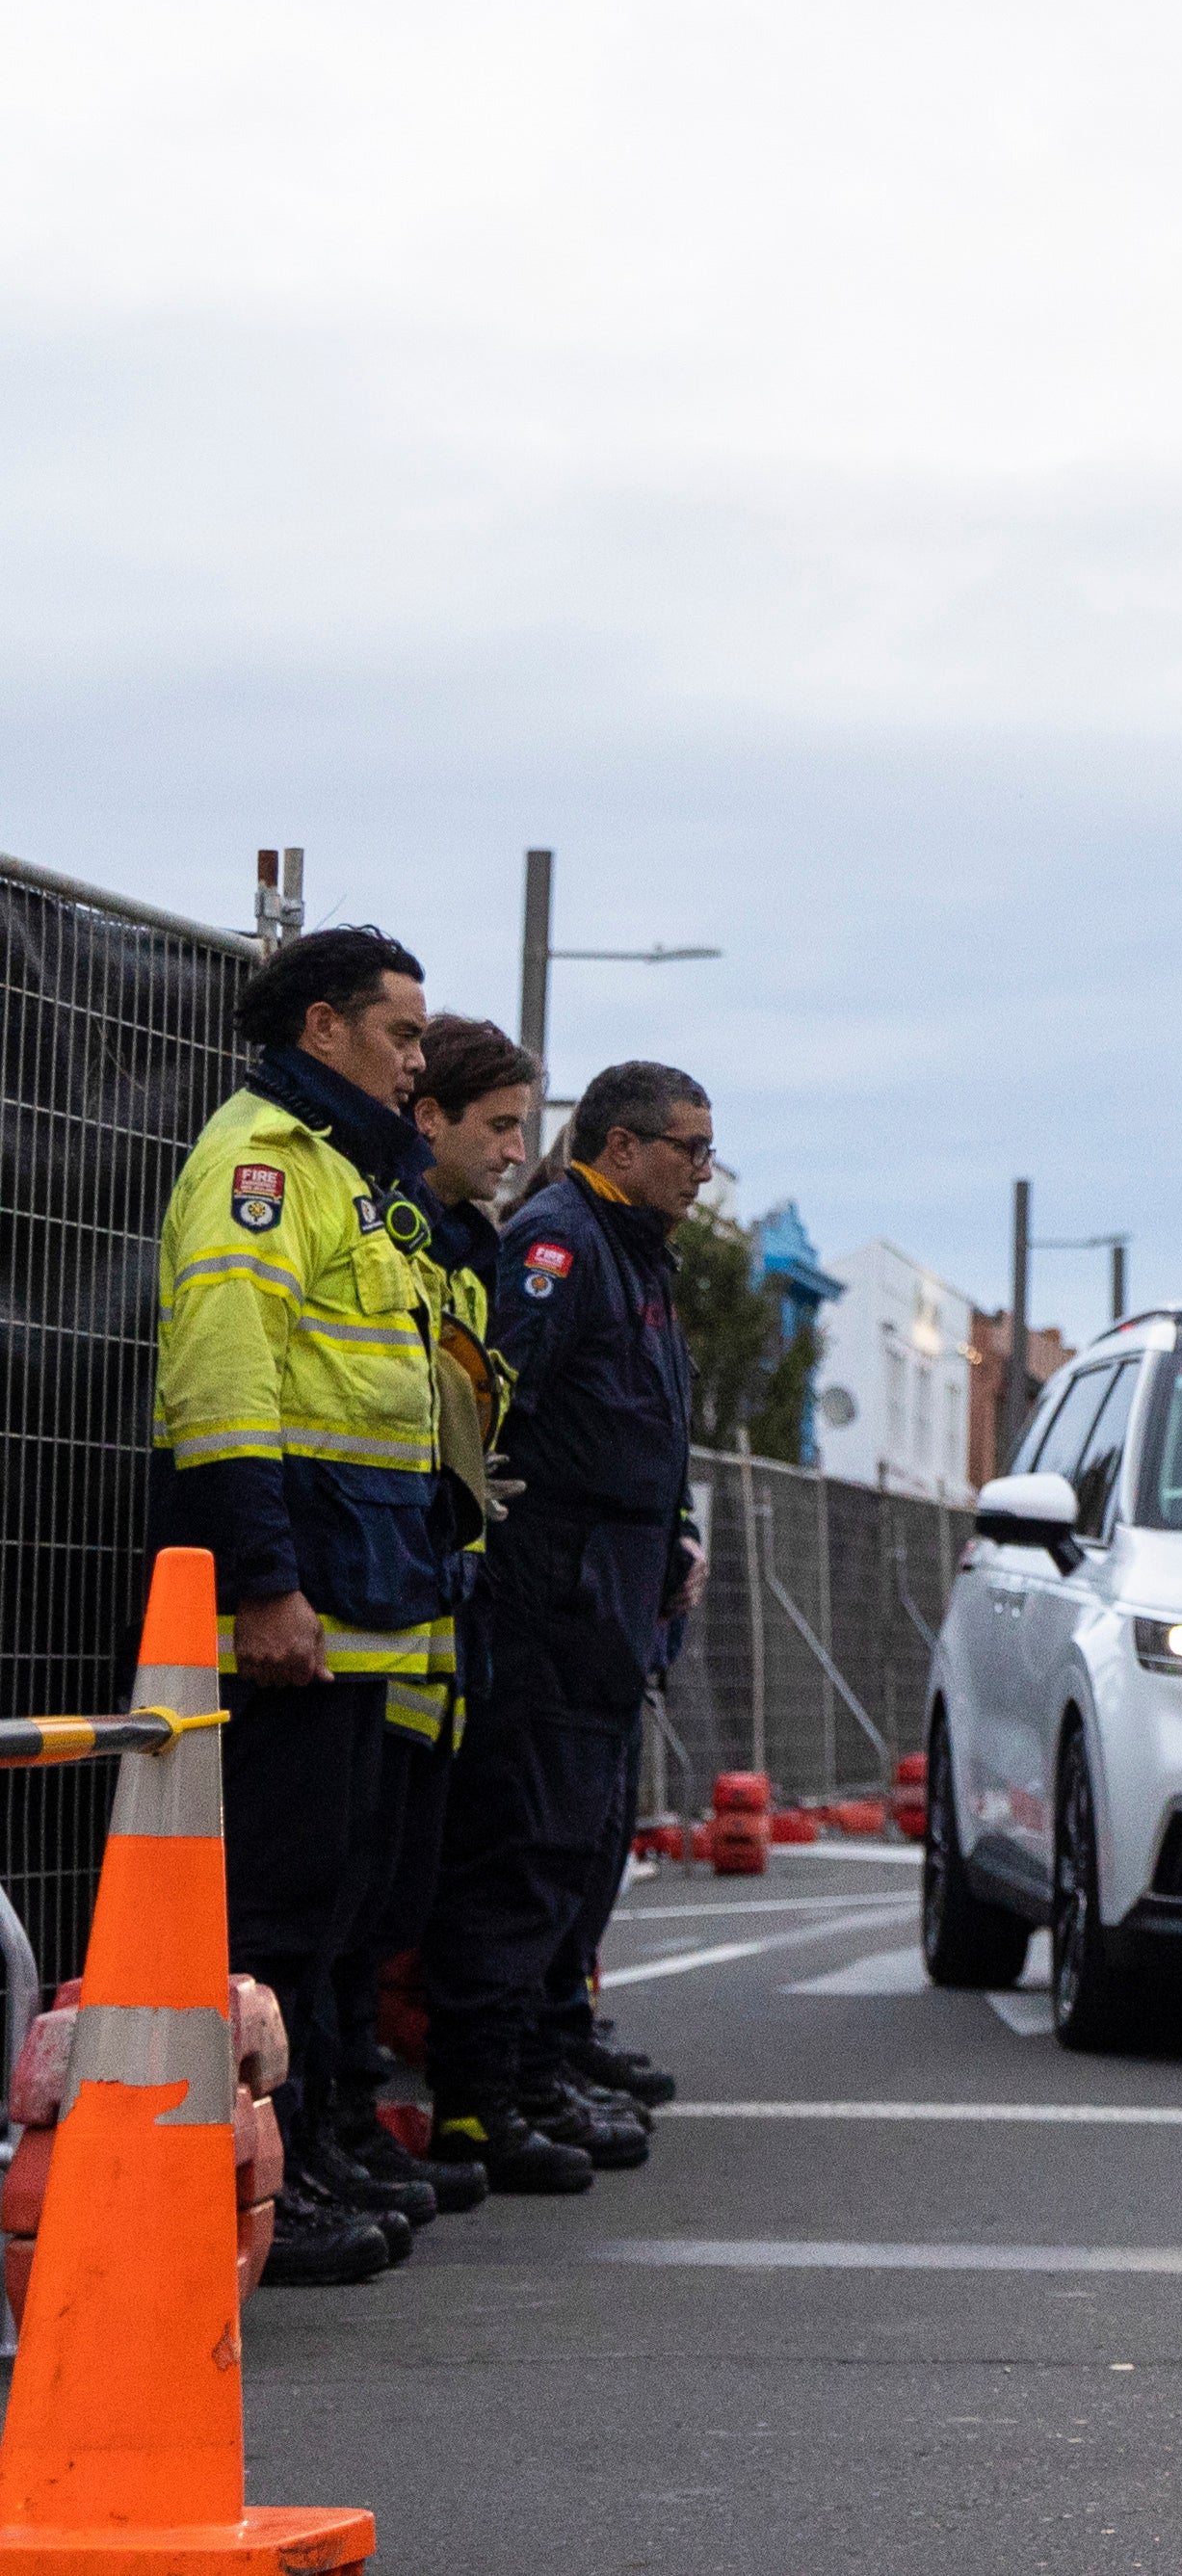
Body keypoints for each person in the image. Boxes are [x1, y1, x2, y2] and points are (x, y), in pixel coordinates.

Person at [153, 924, 450, 2290]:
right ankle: (250, 2187)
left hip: (357, 1600)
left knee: (329, 1898)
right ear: (323, 1028)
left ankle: (309, 2152)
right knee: (274, 1908)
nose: (416, 1061)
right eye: (400, 1034)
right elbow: (226, 1383)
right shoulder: (264, 1165)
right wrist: (267, 1586)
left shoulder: (344, 1168)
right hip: (296, 1609)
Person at [423, 1060, 712, 2192]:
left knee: (578, 1843)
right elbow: (500, 1411)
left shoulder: (633, 1252)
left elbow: (645, 1426)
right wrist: (551, 1566)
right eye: (685, 1147)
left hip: (610, 1587)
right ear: (623, 1147)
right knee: (525, 1839)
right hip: (555, 1590)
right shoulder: (559, 1243)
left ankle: (538, 2062)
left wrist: (667, 1538)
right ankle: (481, 2097)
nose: (700, 1169)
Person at [320, 1016, 544, 2228]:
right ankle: (326, 2125)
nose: (516, 1149)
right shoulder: (397, 1231)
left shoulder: (459, 1248)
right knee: (335, 1897)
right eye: (499, 1124)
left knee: (387, 1893)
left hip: (425, 1618)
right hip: (364, 1604)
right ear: (432, 1119)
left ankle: (347, 2122)